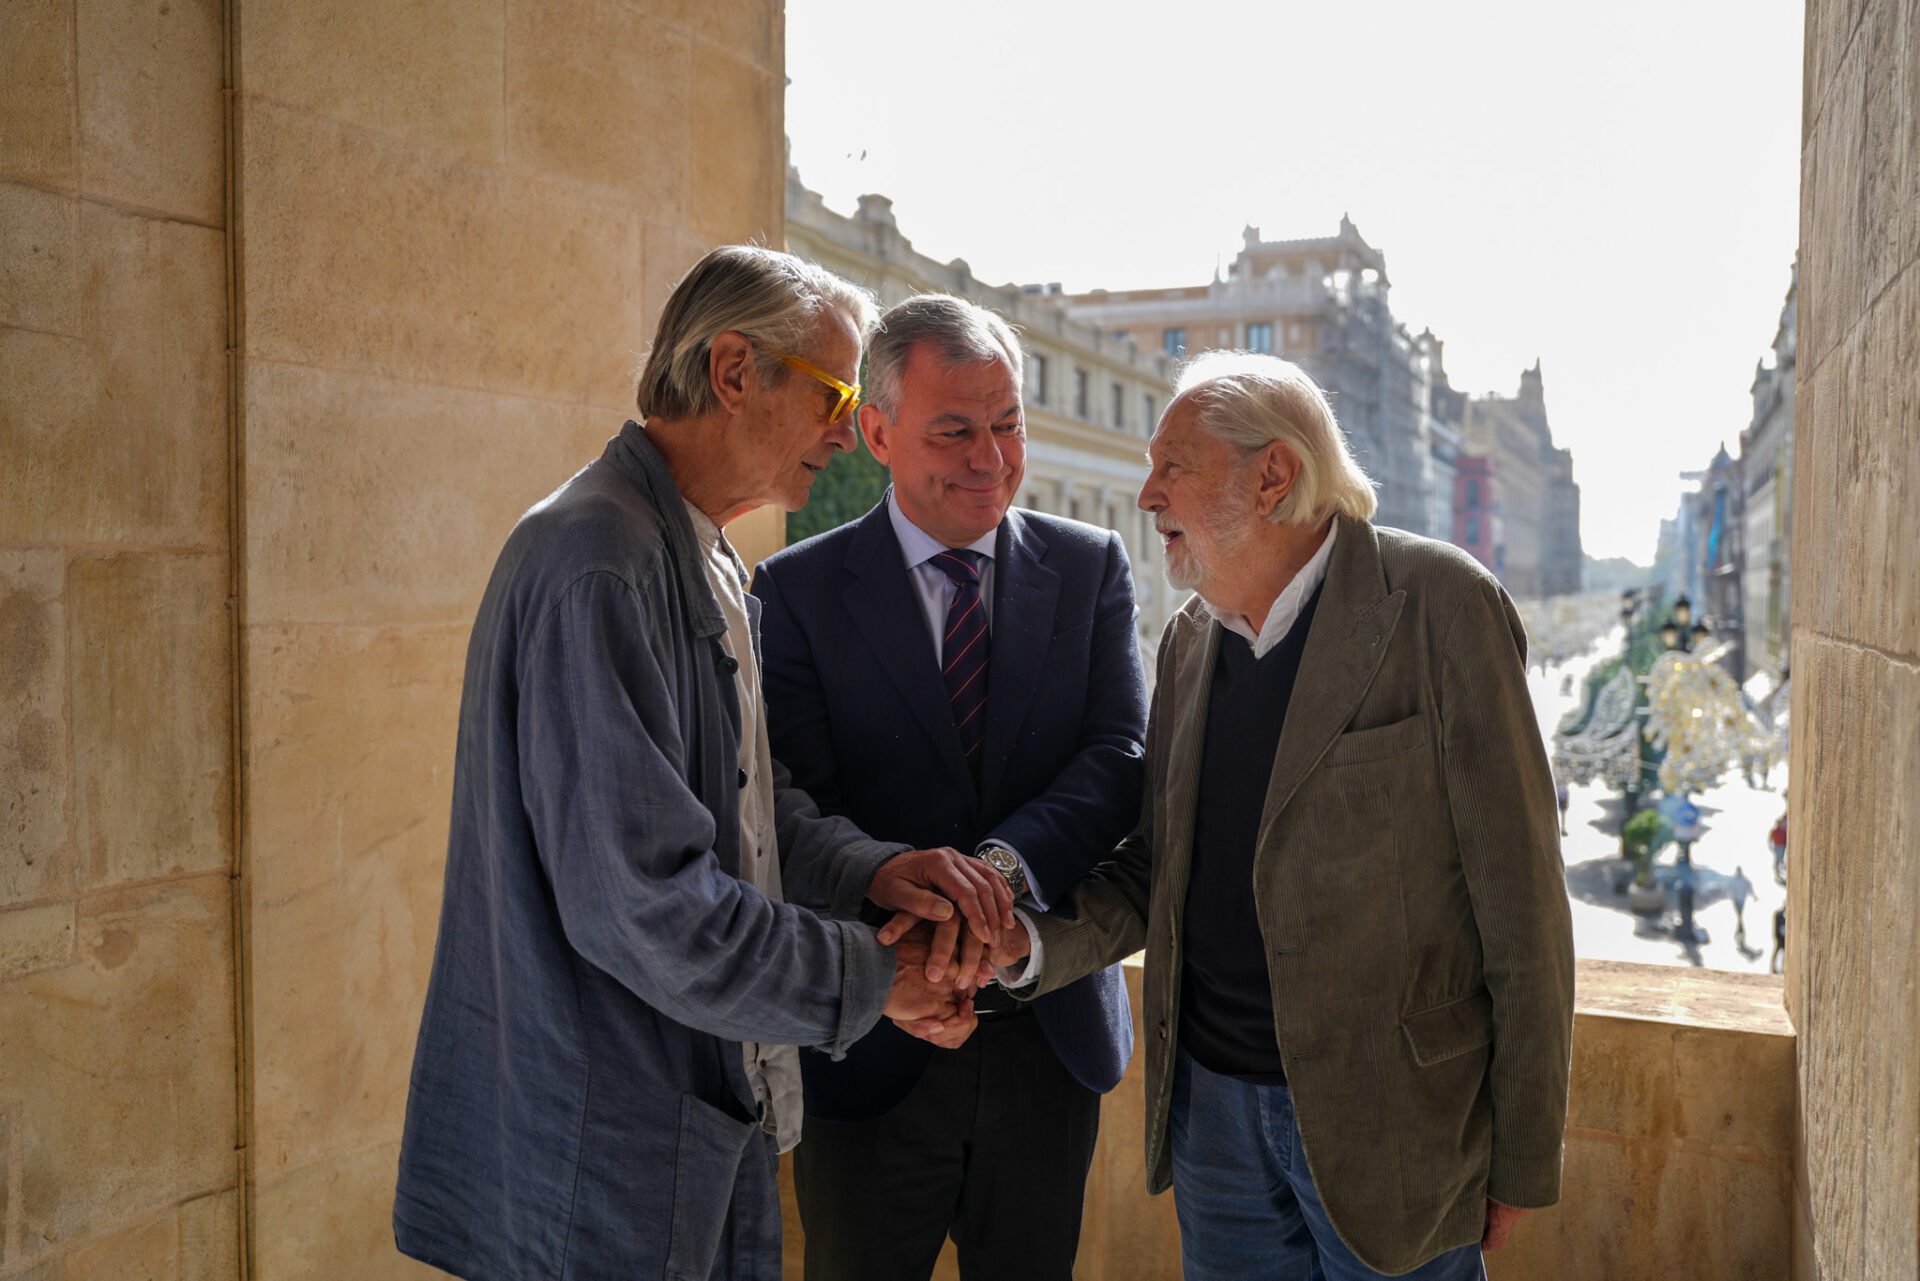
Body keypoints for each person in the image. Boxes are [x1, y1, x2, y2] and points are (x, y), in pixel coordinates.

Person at [393, 247, 1011, 1281]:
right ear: (733, 372)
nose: (842, 428)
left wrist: (867, 873)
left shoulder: (697, 550)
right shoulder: (600, 560)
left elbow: (739, 816)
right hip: (603, 1158)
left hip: (689, 1132)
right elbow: (647, 905)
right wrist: (877, 976)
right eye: (835, 393)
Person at [994, 352, 1576, 1279]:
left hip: (1396, 1126)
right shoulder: (1188, 639)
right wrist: (1024, 945)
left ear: (1273, 475)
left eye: (1172, 464)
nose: (1148, 494)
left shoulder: (1440, 604)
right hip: (1212, 1122)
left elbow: (1527, 906)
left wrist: (1521, 1152)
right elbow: (1159, 868)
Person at [752, 294, 1148, 1280]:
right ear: (877, 433)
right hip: (872, 1043)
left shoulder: (1091, 567)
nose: (991, 457)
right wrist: (913, 934)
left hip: (1047, 1042)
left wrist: (998, 876)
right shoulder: (792, 594)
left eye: (1008, 424)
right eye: (956, 430)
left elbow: (1119, 757)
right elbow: (785, 799)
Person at [1770, 812, 1789, 885]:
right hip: (1777, 846)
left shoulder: (1782, 830)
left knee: (1780, 858)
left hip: (1782, 846)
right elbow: (1771, 838)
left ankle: (1781, 871)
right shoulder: (1775, 831)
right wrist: (1771, 846)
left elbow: (1785, 837)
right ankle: (1778, 872)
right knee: (1778, 858)